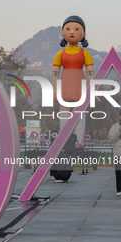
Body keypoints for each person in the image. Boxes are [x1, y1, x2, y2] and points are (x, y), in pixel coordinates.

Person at [52, 15, 95, 145]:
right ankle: (64, 140)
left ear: (84, 34)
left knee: (80, 111)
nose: (71, 32)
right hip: (64, 83)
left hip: (79, 83)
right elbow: (55, 73)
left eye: (76, 29)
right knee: (63, 110)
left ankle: (80, 141)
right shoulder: (60, 53)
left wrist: (92, 89)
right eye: (68, 28)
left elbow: (90, 72)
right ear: (63, 33)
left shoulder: (85, 53)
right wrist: (54, 89)